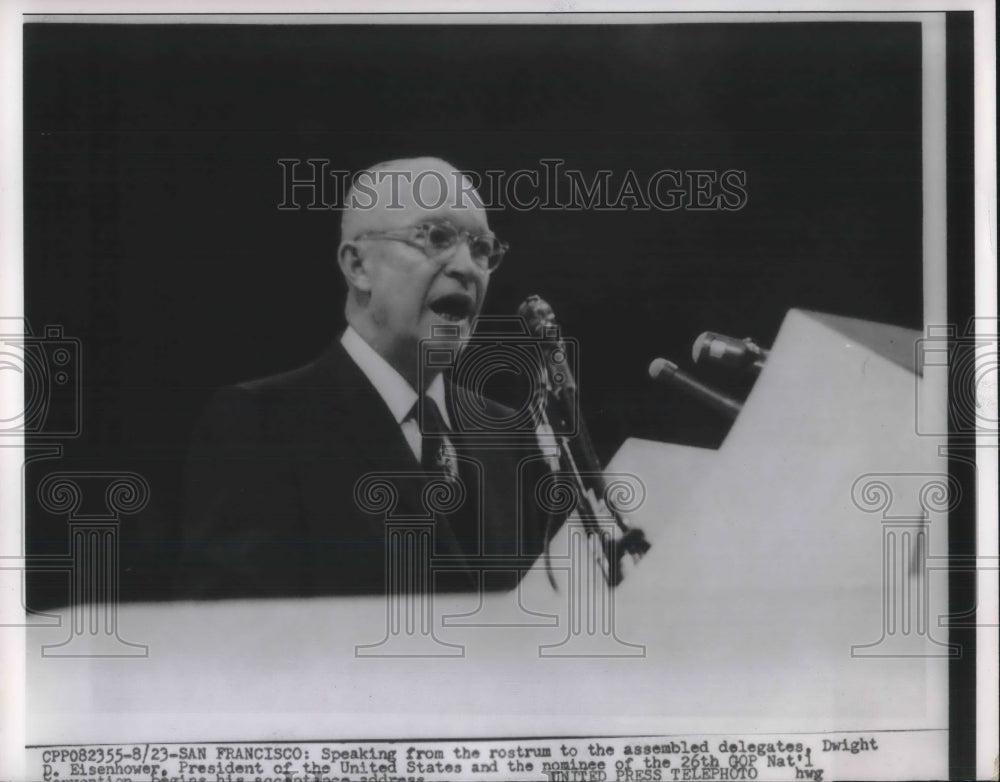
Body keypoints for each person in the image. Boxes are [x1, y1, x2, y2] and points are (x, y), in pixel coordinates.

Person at [175, 157, 558, 599]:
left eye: (481, 249)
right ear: (358, 266)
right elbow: (230, 649)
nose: (467, 268)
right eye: (436, 237)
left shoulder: (510, 435)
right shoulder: (262, 426)